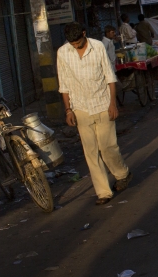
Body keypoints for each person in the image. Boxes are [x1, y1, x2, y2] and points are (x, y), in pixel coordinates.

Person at [57, 22, 132, 205]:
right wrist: (68, 110)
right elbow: (64, 84)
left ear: (84, 33)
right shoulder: (62, 52)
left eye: (78, 42)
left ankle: (122, 173)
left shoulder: (97, 46)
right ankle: (103, 192)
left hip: (102, 104)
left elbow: (109, 76)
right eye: (72, 44)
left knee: (107, 147)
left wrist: (113, 104)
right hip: (80, 107)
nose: (75, 46)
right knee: (90, 152)